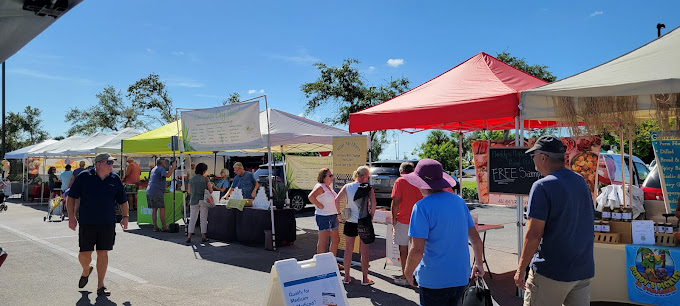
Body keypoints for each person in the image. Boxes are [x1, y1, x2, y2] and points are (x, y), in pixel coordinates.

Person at [514, 135, 594, 306]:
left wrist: (521, 269)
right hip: (582, 269)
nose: (533, 159)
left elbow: (533, 235)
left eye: (533, 155)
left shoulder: (542, 186)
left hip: (552, 271)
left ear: (543, 157)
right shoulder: (580, 181)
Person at [403, 159, 485, 305]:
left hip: (433, 280)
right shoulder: (459, 202)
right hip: (460, 276)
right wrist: (479, 263)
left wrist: (408, 272)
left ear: (421, 182)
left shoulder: (421, 207)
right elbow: (476, 238)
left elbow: (417, 249)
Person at [66, 153, 128, 297]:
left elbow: (123, 200)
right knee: (84, 254)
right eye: (109, 163)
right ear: (98, 164)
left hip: (107, 222)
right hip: (87, 222)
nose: (112, 165)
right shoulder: (84, 177)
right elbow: (71, 197)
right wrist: (71, 217)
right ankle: (86, 270)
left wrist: (125, 217)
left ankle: (101, 285)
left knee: (103, 252)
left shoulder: (115, 179)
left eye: (112, 163)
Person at [335, 165, 376, 285]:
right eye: (368, 176)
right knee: (364, 250)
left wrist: (339, 214)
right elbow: (373, 203)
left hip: (350, 221)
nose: (368, 179)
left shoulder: (347, 186)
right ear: (363, 176)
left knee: (348, 249)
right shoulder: (368, 188)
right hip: (364, 221)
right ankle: (364, 278)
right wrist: (371, 216)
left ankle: (347, 277)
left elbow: (337, 200)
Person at [390, 162, 421, 286]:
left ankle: (405, 275)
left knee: (403, 250)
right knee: (418, 250)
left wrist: (393, 218)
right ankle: (417, 275)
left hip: (403, 220)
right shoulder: (419, 181)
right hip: (418, 220)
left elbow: (396, 202)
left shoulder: (400, 181)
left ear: (401, 171)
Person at [308, 168, 343, 270]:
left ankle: (332, 262)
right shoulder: (320, 186)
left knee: (336, 239)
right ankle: (321, 265)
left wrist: (337, 215)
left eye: (332, 175)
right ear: (323, 177)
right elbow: (311, 197)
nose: (332, 177)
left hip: (332, 216)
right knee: (323, 241)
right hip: (324, 217)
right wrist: (319, 205)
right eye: (330, 175)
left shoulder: (328, 188)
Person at [186, 163, 214, 243]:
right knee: (203, 219)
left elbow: (189, 191)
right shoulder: (205, 179)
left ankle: (189, 236)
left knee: (192, 218)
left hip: (194, 200)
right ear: (204, 171)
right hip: (203, 200)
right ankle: (203, 236)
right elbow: (211, 191)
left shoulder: (191, 179)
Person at [147, 159, 177, 232]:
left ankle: (155, 226)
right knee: (162, 208)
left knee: (154, 209)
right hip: (157, 192)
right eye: (164, 162)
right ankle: (164, 226)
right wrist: (173, 167)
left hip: (150, 190)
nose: (165, 163)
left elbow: (156, 179)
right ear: (161, 163)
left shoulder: (154, 169)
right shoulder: (161, 169)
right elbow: (167, 175)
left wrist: (163, 190)